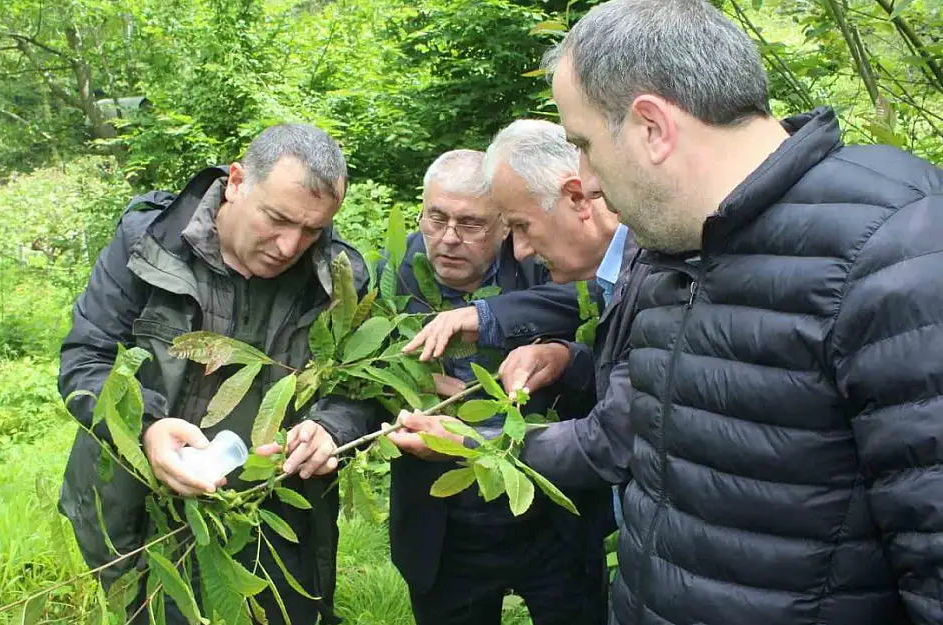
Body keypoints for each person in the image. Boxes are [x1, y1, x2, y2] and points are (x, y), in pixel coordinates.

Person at [423, 1, 943, 623]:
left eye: (584, 145)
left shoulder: (897, 249)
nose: (584, 181)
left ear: (651, 128)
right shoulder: (675, 251)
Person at [57, 123, 379, 625]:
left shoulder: (339, 280)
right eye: (277, 219)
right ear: (235, 182)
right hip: (143, 515)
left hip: (271, 519)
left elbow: (358, 389)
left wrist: (333, 429)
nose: (290, 245)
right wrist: (146, 429)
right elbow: (86, 359)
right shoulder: (148, 241)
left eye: (313, 229)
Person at [384, 149, 613, 625]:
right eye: (436, 218)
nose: (448, 238)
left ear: (505, 224)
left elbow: (594, 298)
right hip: (447, 522)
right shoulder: (398, 273)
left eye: (470, 224)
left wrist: (492, 322)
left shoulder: (543, 256)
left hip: (551, 515)